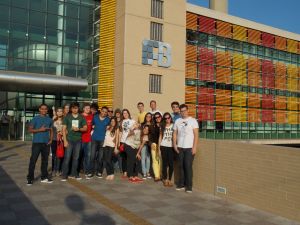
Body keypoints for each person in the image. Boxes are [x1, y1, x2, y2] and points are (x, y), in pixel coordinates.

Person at [173, 104, 199, 193]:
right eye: (181, 111)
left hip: (189, 148)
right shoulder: (178, 121)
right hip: (180, 147)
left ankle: (189, 186)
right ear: (180, 112)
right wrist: (174, 145)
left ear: (187, 110)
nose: (183, 112)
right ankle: (181, 184)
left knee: (188, 166)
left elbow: (196, 135)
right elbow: (175, 133)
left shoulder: (193, 121)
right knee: (180, 166)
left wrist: (194, 147)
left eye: (184, 110)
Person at [27, 104, 53, 185]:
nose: (44, 110)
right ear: (39, 109)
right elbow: (30, 130)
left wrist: (51, 139)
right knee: (33, 161)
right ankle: (30, 178)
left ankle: (44, 177)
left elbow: (51, 130)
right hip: (37, 143)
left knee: (45, 161)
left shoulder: (49, 119)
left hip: (46, 143)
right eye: (42, 109)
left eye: (45, 109)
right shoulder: (35, 119)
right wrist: (40, 130)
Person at [61, 102, 87, 181]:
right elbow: (63, 129)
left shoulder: (81, 117)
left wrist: (78, 129)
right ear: (71, 109)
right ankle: (64, 175)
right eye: (73, 108)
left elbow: (85, 128)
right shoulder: (67, 117)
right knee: (67, 157)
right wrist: (65, 141)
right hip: (69, 139)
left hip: (78, 140)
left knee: (76, 158)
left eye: (76, 108)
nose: (75, 109)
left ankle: (74, 174)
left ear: (78, 108)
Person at [90, 106, 110, 178]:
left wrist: (108, 127)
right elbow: (91, 125)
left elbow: (109, 128)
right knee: (92, 156)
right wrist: (92, 126)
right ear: (100, 111)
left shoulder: (108, 119)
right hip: (94, 139)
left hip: (102, 140)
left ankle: (99, 171)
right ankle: (91, 171)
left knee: (100, 157)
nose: (104, 113)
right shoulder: (95, 117)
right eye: (103, 111)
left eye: (105, 112)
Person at [118, 109, 135, 178]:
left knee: (130, 157)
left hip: (129, 141)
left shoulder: (132, 121)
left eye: (126, 113)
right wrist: (119, 142)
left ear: (128, 113)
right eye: (124, 113)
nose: (125, 114)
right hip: (123, 141)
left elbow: (136, 129)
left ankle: (130, 172)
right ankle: (125, 171)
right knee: (124, 157)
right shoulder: (121, 122)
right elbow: (120, 132)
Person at [159, 112, 174, 187]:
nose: (167, 119)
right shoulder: (162, 126)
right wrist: (159, 147)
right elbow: (160, 137)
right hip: (163, 146)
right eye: (166, 118)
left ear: (171, 118)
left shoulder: (174, 125)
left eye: (169, 118)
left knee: (171, 164)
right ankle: (165, 179)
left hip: (171, 147)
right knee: (164, 164)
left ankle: (170, 179)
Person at [81, 103, 93, 179]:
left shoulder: (92, 116)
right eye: (86, 108)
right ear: (83, 109)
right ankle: (78, 170)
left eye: (89, 108)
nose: (88, 109)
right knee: (78, 156)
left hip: (89, 139)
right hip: (80, 138)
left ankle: (87, 171)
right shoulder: (80, 116)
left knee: (88, 156)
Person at [149, 112, 162, 181]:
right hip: (154, 144)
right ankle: (156, 176)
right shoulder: (152, 126)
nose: (157, 118)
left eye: (159, 117)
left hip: (162, 145)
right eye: (156, 117)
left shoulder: (163, 125)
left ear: (161, 117)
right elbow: (149, 136)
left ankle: (160, 174)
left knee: (160, 160)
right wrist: (150, 143)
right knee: (155, 160)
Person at [51, 107, 64, 176]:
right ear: (56, 112)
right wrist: (52, 120)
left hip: (61, 140)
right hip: (54, 140)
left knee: (60, 155)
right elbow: (49, 128)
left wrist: (62, 133)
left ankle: (59, 170)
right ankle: (53, 170)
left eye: (61, 111)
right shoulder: (53, 120)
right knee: (54, 156)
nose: (59, 112)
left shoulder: (64, 120)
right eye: (58, 111)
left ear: (62, 112)